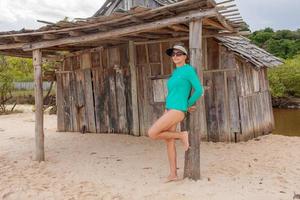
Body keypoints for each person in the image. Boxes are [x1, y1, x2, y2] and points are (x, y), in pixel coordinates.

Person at [147, 44, 204, 182]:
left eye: (179, 54)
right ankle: (173, 174)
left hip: (178, 110)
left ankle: (182, 135)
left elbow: (199, 90)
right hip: (169, 108)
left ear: (185, 56)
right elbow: (174, 93)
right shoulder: (175, 72)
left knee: (152, 133)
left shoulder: (188, 70)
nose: (175, 56)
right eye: (173, 54)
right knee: (169, 141)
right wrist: (167, 108)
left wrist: (187, 104)